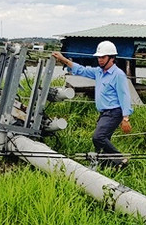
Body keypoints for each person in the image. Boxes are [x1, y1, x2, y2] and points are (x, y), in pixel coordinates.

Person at [53, 41, 133, 169]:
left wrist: (125, 118)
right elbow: (81, 70)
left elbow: (125, 96)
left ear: (112, 58)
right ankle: (107, 166)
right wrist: (63, 60)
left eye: (103, 57)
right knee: (101, 142)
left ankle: (120, 160)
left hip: (114, 112)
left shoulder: (118, 75)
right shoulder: (98, 72)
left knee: (98, 137)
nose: (100, 60)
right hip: (104, 113)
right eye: (99, 57)